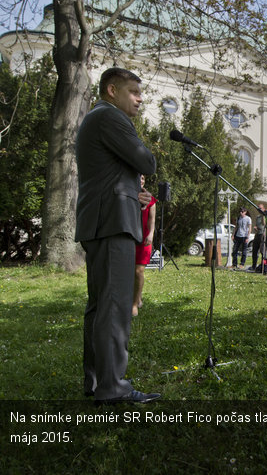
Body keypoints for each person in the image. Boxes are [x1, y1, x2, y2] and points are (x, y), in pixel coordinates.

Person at [75, 67, 159, 404]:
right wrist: (137, 168)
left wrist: (130, 187)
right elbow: (147, 162)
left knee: (99, 306)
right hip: (112, 223)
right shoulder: (111, 118)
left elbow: (112, 172)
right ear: (112, 90)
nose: (140, 100)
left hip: (100, 220)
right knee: (115, 307)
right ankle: (112, 389)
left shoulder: (97, 118)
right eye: (134, 93)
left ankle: (96, 382)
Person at [132, 174, 157, 317]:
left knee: (138, 271)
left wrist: (151, 235)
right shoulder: (130, 196)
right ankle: (137, 297)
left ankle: (134, 304)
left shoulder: (150, 199)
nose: (140, 180)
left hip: (144, 239)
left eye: (142, 178)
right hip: (131, 238)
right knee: (130, 272)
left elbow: (152, 219)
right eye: (138, 178)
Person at [249, 203, 267, 272]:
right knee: (254, 250)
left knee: (263, 251)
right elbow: (257, 225)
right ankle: (254, 265)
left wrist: (263, 215)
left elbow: (264, 224)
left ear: (264, 209)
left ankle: (263, 266)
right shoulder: (257, 217)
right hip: (257, 234)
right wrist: (255, 227)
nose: (259, 209)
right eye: (258, 208)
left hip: (263, 234)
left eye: (261, 208)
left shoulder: (265, 216)